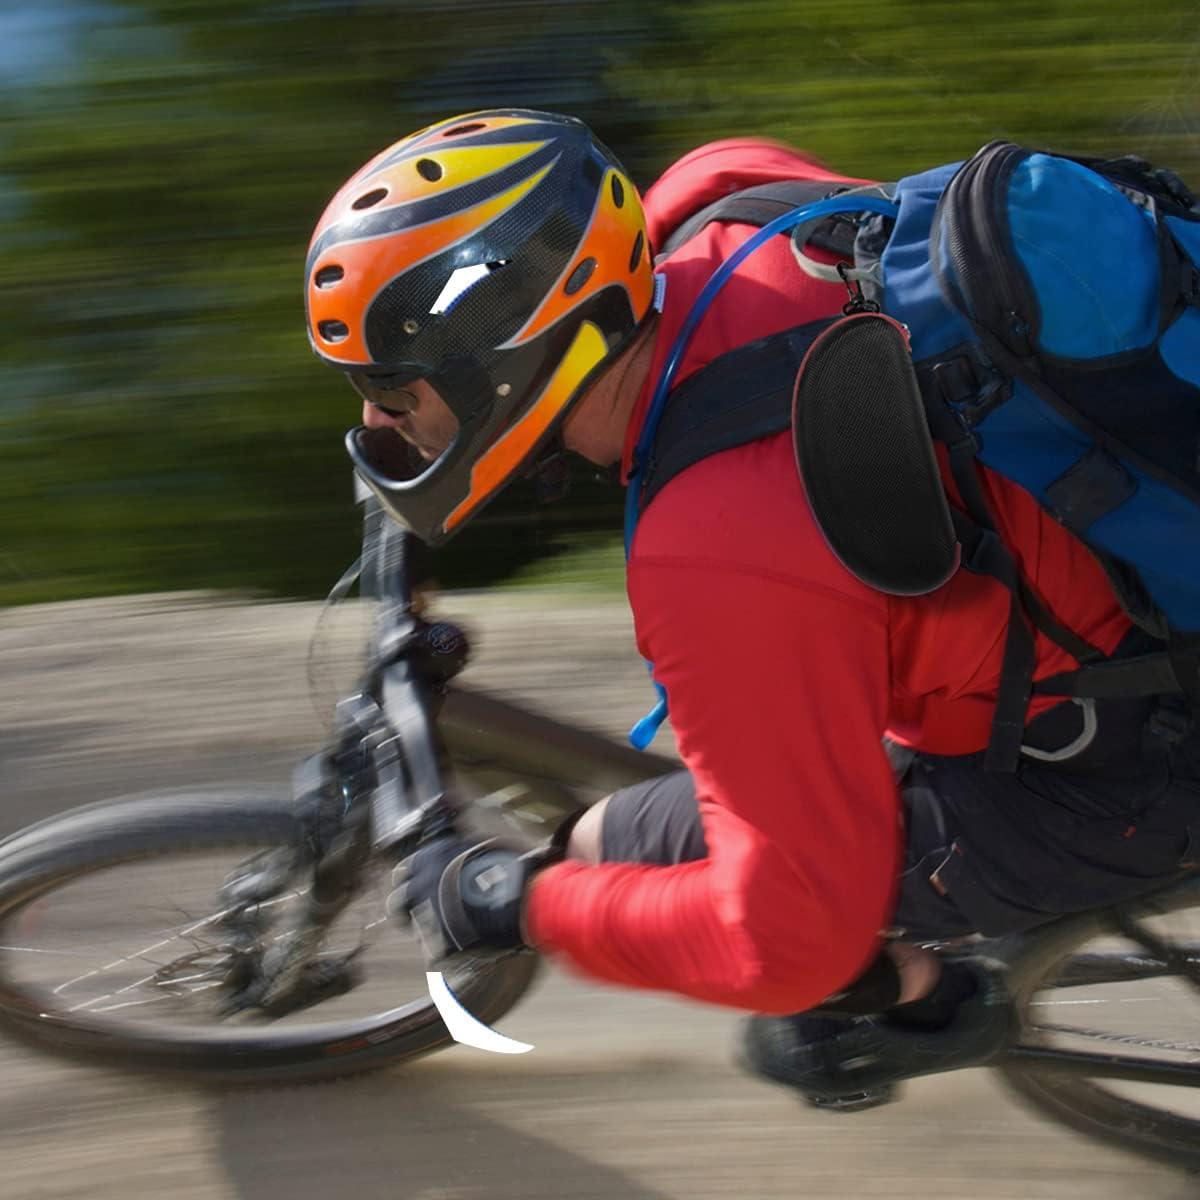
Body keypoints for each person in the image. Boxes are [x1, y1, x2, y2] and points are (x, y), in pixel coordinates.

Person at [304, 109, 1200, 1108]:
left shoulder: (718, 550)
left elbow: (784, 937)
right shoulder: (724, 198)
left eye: (387, 385)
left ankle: (927, 998)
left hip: (1127, 764)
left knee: (626, 852)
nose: (373, 419)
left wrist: (510, 898)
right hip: (1124, 598)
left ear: (502, 362)